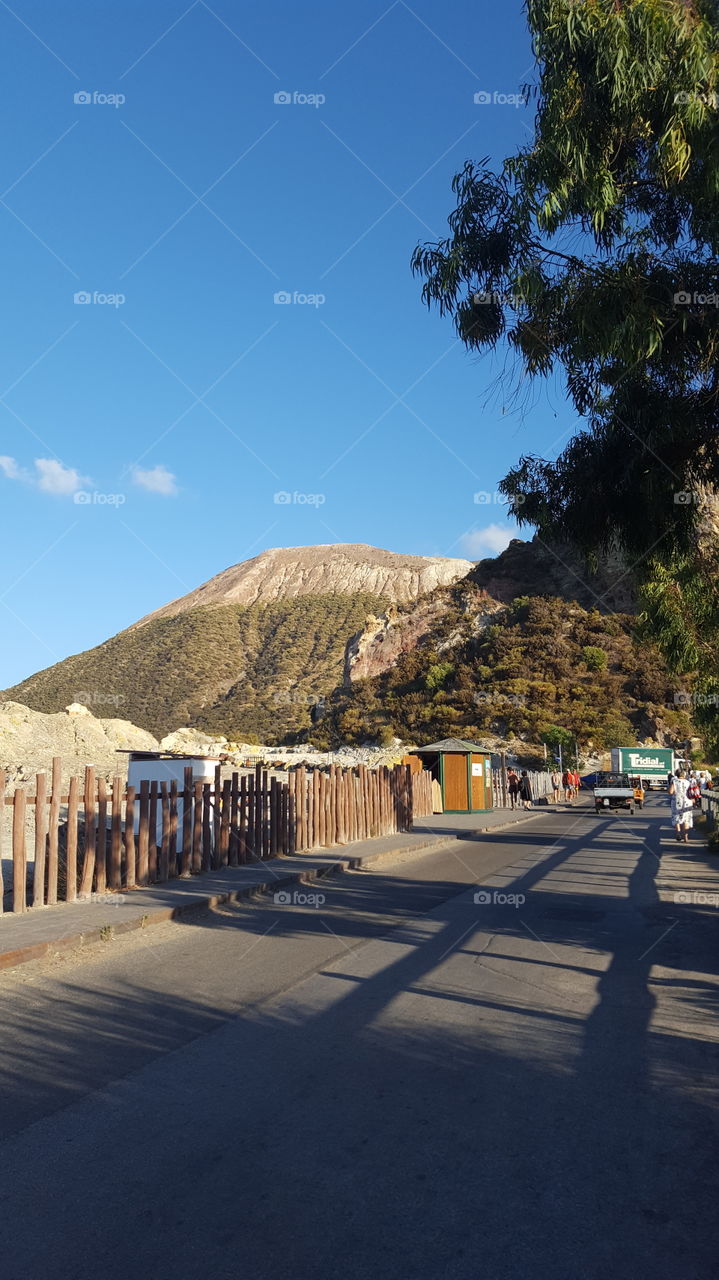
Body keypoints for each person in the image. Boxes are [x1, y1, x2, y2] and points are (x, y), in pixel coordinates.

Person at [669, 769, 693, 843]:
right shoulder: (688, 782)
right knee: (686, 818)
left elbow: (670, 792)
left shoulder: (674, 782)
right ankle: (686, 837)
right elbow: (692, 792)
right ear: (684, 774)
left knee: (677, 817)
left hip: (677, 801)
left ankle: (678, 833)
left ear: (677, 775)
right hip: (687, 802)